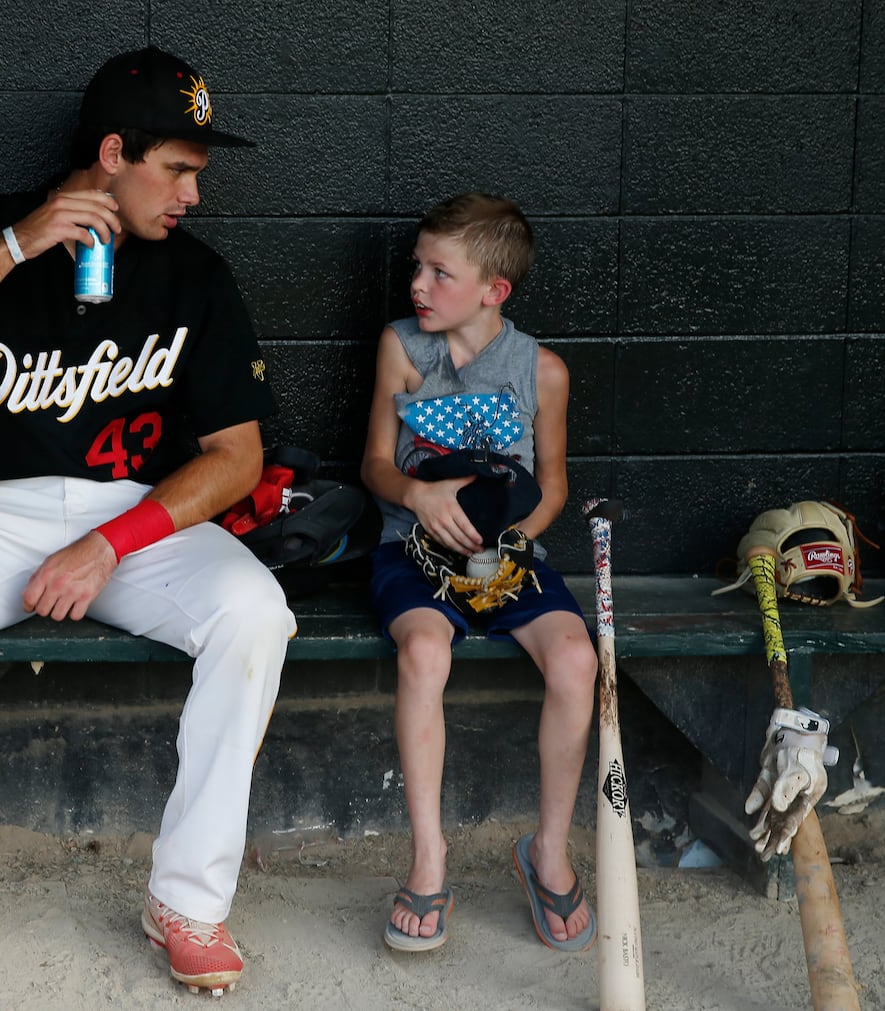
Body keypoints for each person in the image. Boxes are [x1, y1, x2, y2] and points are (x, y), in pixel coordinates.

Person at [0, 46, 294, 996]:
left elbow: (237, 459)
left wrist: (109, 544)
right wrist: (16, 245)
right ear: (114, 150)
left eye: (195, 176)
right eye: (177, 170)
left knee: (255, 613)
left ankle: (187, 900)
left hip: (135, 522)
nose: (191, 196)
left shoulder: (195, 275)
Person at [360, 192, 599, 953]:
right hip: (414, 552)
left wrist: (510, 541)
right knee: (425, 651)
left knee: (575, 658)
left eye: (440, 272)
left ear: (494, 290)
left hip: (507, 556)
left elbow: (552, 484)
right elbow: (372, 464)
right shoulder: (402, 346)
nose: (418, 286)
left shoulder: (542, 370)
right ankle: (429, 858)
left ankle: (548, 849)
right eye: (416, 268)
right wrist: (419, 494)